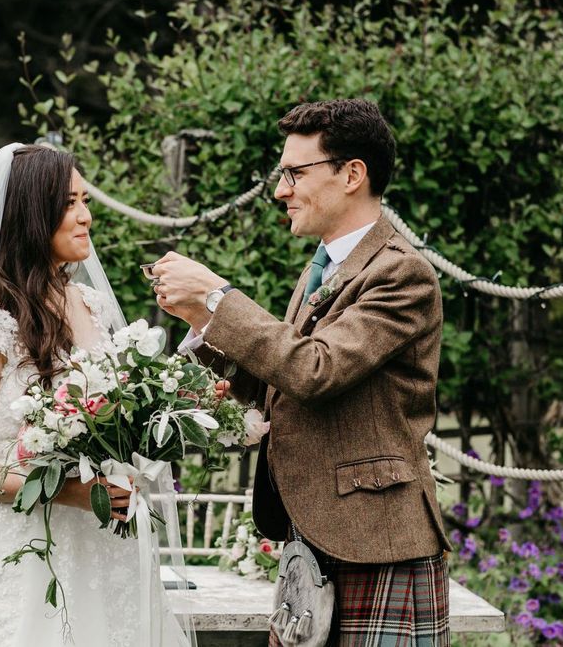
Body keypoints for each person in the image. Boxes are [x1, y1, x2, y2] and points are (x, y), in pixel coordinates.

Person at [151, 100, 452, 646]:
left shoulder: (401, 272)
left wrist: (220, 298)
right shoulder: (325, 266)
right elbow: (283, 383)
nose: (279, 190)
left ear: (352, 174)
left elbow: (318, 370)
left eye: (294, 173)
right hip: (314, 534)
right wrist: (202, 320)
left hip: (376, 538)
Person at [0, 144, 194, 647]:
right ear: (32, 215)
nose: (86, 216)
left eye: (85, 201)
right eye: (69, 203)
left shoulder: (91, 306)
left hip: (103, 553)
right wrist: (69, 492)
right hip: (22, 558)